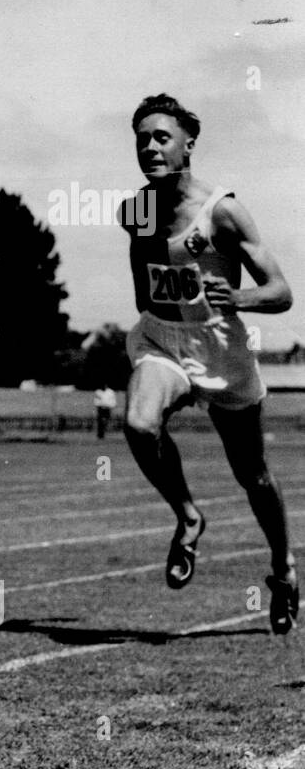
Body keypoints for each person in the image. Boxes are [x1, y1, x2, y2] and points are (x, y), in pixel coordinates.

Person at [119, 93, 297, 633]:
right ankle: (189, 515)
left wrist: (238, 299)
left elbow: (281, 290)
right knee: (138, 423)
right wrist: (156, 307)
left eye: (161, 137)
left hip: (220, 345)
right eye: (141, 138)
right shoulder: (136, 210)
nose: (150, 147)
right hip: (163, 340)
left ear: (187, 145)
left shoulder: (222, 210)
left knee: (253, 475)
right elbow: (141, 269)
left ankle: (284, 568)